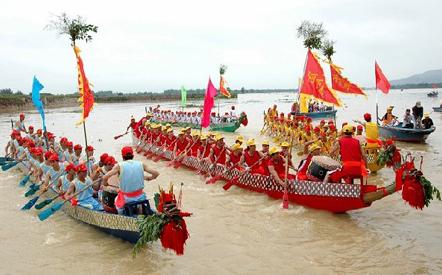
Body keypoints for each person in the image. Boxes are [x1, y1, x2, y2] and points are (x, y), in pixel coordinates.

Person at [102, 146, 159, 214]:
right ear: (133, 155)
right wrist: (150, 178)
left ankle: (121, 216)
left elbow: (105, 177)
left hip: (127, 198)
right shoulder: (141, 164)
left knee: (116, 201)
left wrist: (105, 183)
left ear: (122, 156)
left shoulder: (119, 166)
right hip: (141, 196)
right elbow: (156, 173)